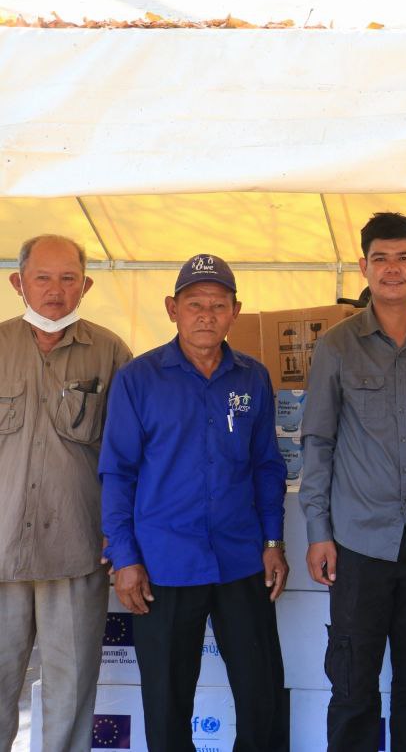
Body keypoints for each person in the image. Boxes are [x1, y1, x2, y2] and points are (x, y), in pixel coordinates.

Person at [299, 212, 406, 752]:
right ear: (363, 266)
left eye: (404, 258)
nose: (392, 268)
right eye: (381, 258)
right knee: (353, 685)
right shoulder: (336, 346)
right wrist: (318, 531)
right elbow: (318, 441)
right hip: (358, 544)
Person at [99, 254, 287, 751]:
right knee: (167, 702)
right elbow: (117, 472)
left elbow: (267, 465)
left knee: (261, 693)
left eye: (218, 305)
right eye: (194, 304)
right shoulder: (138, 379)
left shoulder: (252, 377)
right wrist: (125, 558)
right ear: (172, 309)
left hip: (240, 559)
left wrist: (273, 542)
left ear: (235, 312)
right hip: (164, 564)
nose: (206, 315)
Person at [0, 235, 131, 752]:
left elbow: (129, 455)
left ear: (86, 285)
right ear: (19, 282)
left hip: (77, 549)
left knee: (71, 691)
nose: (55, 290)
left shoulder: (111, 353)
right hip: (1, 547)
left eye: (68, 278)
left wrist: (120, 534)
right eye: (42, 278)